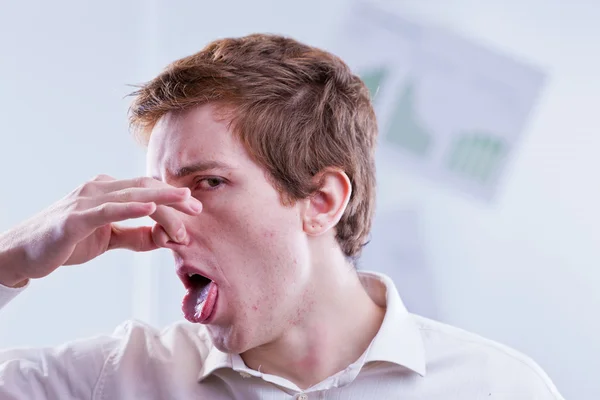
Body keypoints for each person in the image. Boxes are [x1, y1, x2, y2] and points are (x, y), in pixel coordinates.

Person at [0, 34, 563, 399]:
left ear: (321, 201)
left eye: (208, 183)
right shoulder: (116, 379)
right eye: (160, 191)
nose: (170, 224)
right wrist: (10, 262)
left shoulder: (498, 388)